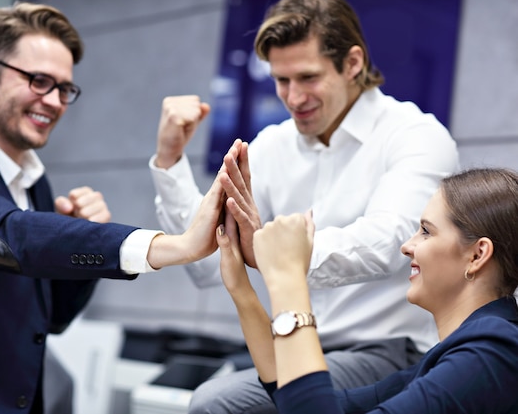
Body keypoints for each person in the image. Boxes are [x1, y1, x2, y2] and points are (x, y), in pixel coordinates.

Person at [0, 2, 226, 414]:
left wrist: (73, 247)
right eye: (38, 81)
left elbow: (53, 318)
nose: (53, 101)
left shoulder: (37, 187)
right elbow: (0, 237)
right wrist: (165, 247)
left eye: (64, 88)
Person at [149, 0, 460, 412]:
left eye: (307, 77)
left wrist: (278, 255)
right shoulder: (272, 147)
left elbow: (389, 244)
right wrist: (169, 160)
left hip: (388, 350)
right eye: (281, 80)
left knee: (216, 404)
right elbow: (205, 264)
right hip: (292, 339)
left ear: (352, 63)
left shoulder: (416, 136)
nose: (293, 97)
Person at [216, 167, 518, 413]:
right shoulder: (467, 351)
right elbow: (295, 398)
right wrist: (240, 289)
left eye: (426, 231)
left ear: (477, 255)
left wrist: (289, 276)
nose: (407, 246)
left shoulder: (492, 350)